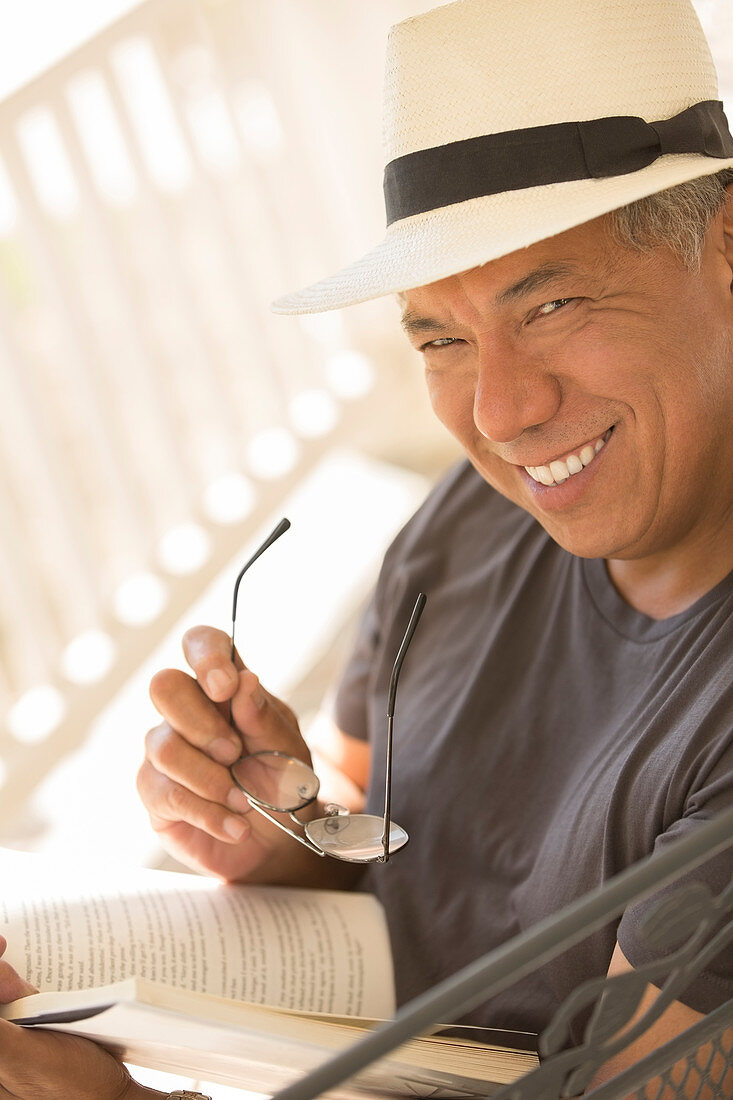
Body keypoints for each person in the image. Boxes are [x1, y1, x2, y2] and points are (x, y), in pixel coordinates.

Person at [1, 0, 732, 1096]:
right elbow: (378, 831)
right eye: (439, 336)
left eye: (553, 303)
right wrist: (282, 828)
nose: (497, 410)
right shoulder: (470, 525)